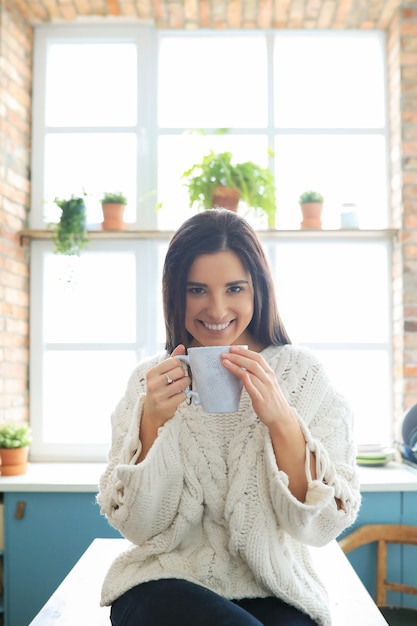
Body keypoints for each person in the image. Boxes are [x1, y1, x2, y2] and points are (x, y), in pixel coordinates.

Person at [97, 208, 361, 626]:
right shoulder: (147, 385)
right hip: (164, 583)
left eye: (234, 288)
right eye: (196, 289)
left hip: (276, 587)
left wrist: (282, 422)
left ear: (258, 289)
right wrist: (150, 426)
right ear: (174, 294)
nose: (216, 309)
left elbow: (322, 528)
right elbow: (139, 528)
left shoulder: (302, 376)